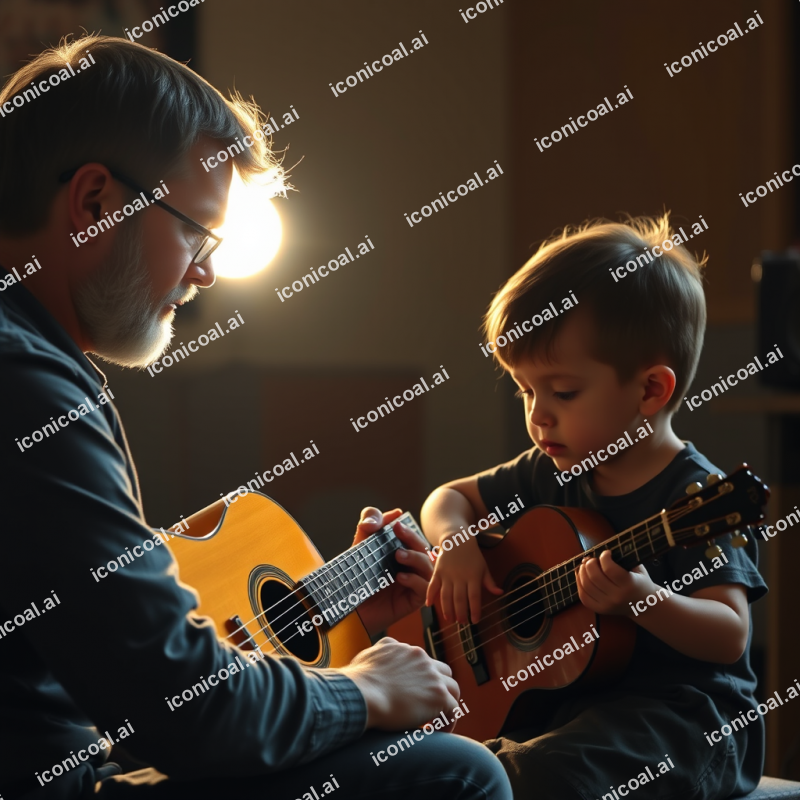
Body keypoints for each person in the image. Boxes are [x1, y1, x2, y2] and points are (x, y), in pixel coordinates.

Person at [0, 35, 512, 800]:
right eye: (196, 231)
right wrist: (363, 690)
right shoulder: (28, 383)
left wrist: (333, 619)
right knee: (458, 771)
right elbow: (184, 711)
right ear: (96, 202)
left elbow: (103, 655)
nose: (207, 271)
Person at [421, 215, 767, 799]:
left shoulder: (696, 496)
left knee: (538, 772)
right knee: (437, 756)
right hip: (579, 705)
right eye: (526, 390)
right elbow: (448, 498)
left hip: (686, 721)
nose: (538, 416)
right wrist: (456, 541)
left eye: (563, 392)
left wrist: (641, 600)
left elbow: (729, 634)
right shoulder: (553, 467)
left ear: (650, 390)